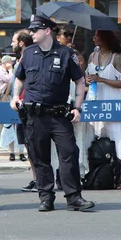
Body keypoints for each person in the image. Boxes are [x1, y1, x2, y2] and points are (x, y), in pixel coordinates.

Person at [10, 15, 94, 212]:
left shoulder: (66, 54)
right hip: (34, 114)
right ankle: (46, 197)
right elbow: (19, 78)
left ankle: (74, 197)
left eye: (34, 30)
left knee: (69, 153)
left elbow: (80, 81)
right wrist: (15, 96)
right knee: (40, 158)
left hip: (58, 114)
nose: (31, 33)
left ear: (47, 30)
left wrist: (77, 107)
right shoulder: (28, 53)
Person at [85, 30, 121, 189]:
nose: (94, 38)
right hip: (94, 100)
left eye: (97, 35)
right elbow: (86, 78)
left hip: (112, 102)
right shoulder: (91, 56)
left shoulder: (116, 58)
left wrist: (102, 79)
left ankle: (118, 177)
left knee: (115, 138)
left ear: (105, 38)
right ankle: (94, 173)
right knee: (93, 137)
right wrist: (89, 80)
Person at [11, 29, 38, 192]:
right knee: (28, 144)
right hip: (20, 104)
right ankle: (36, 178)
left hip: (28, 104)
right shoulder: (22, 58)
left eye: (14, 41)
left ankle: (39, 179)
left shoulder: (29, 57)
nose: (12, 44)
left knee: (33, 144)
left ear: (21, 42)